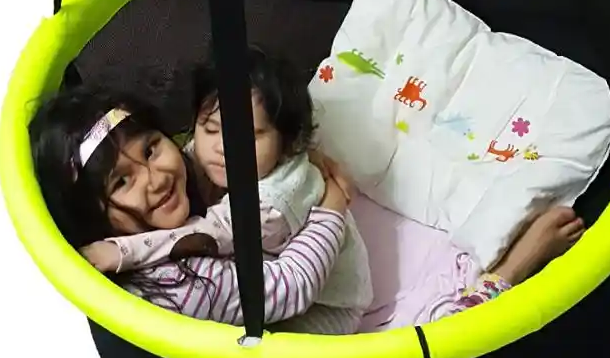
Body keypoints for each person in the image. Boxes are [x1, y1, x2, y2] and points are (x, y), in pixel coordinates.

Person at [29, 83, 359, 332]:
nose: (156, 179)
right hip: (315, 309)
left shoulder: (181, 174)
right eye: (121, 182)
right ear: (90, 220)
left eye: (150, 150)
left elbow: (213, 154)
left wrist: (297, 158)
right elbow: (294, 284)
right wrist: (332, 205)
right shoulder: (181, 286)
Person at [86, 50, 373, 318]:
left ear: (287, 143)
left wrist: (122, 251)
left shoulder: (273, 200)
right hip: (274, 267)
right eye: (210, 129)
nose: (222, 149)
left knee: (285, 346)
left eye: (151, 151)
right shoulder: (210, 156)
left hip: (331, 303)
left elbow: (206, 234)